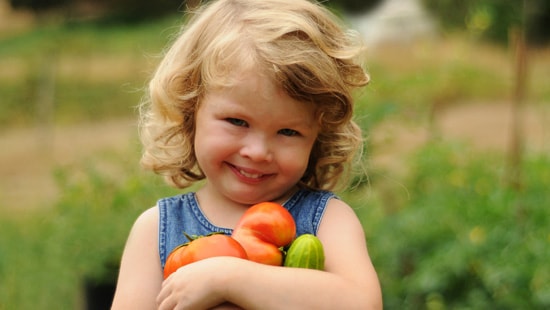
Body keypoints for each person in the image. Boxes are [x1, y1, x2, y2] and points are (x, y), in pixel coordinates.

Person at [111, 0, 382, 308]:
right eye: (237, 122)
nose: (257, 152)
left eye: (288, 132)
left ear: (318, 136)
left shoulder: (326, 220)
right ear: (190, 111)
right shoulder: (157, 230)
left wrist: (227, 278)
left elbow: (361, 303)